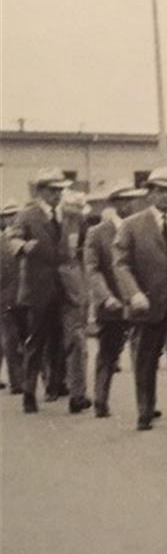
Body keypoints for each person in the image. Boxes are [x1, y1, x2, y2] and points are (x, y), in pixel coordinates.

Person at [113, 166, 167, 434]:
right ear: (149, 194)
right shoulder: (132, 226)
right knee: (145, 360)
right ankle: (145, 411)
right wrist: (134, 293)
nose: (165, 196)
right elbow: (121, 264)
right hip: (146, 303)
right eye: (160, 190)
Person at [8, 167, 73, 413]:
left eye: (60, 190)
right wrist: (24, 246)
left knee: (58, 340)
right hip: (37, 289)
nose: (58, 195)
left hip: (61, 287)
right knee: (36, 341)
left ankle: (54, 384)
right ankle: (28, 392)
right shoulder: (27, 215)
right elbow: (12, 237)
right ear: (41, 191)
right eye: (53, 190)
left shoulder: (65, 214)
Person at [84, 182, 144, 417]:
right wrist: (105, 297)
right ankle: (101, 400)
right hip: (112, 303)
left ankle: (145, 406)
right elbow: (92, 269)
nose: (132, 204)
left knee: (142, 356)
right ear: (116, 203)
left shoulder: (142, 229)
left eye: (134, 199)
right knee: (108, 353)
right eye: (126, 200)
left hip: (139, 302)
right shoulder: (97, 233)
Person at [57, 190, 92, 414]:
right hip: (71, 289)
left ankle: (62, 385)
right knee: (76, 341)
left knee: (71, 341)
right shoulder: (70, 226)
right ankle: (75, 392)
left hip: (70, 288)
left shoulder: (75, 226)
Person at [0, 200, 24, 394]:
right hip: (5, 296)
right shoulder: (2, 241)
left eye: (15, 215)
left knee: (17, 338)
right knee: (10, 338)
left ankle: (21, 379)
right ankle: (17, 381)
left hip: (23, 294)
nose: (13, 218)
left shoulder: (21, 238)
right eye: (8, 216)